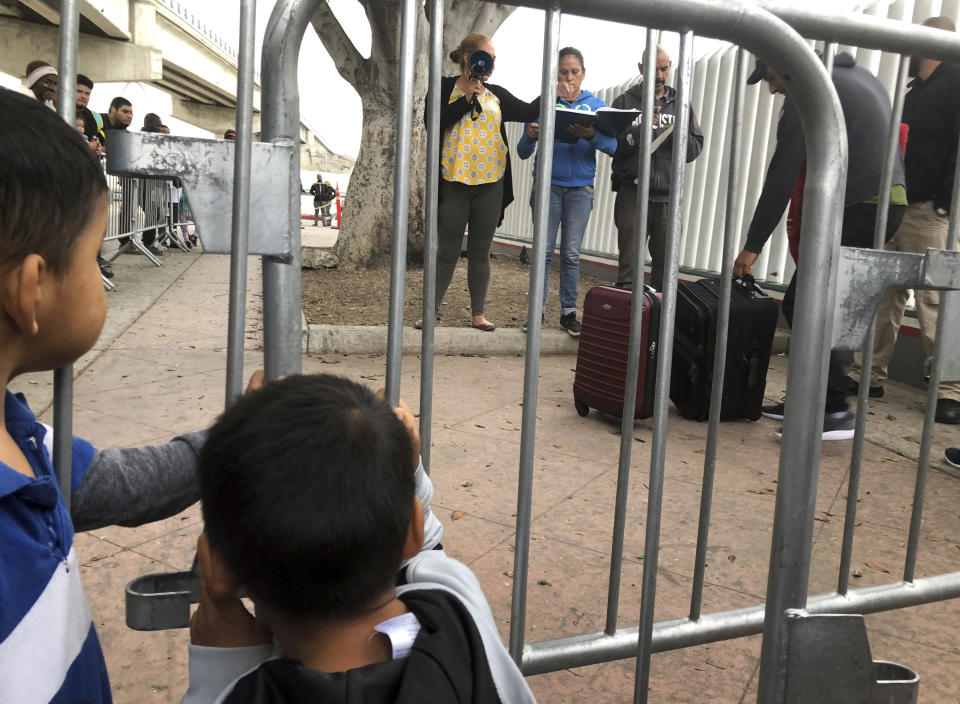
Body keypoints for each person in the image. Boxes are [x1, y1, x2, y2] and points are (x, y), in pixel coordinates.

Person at [0, 89, 228, 703]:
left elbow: (120, 483)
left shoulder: (17, 433)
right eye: (94, 249)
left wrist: (236, 439)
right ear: (32, 291)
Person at [179, 374, 534, 703]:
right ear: (413, 528)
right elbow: (426, 546)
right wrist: (411, 468)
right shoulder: (458, 608)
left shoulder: (237, 695)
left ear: (218, 567)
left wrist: (223, 665)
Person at [732, 53, 907, 440]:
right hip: (884, 202)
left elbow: (781, 175)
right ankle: (815, 400)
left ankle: (832, 409)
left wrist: (752, 245)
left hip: (860, 206)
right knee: (822, 303)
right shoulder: (855, 76)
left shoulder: (808, 89)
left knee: (811, 304)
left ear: (788, 63)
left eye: (772, 77)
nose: (772, 87)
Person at [854, 16, 960, 425]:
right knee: (886, 292)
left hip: (929, 207)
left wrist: (944, 204)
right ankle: (871, 374)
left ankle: (949, 389)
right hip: (900, 205)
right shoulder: (915, 91)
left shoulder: (955, 85)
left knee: (934, 297)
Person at [420, 33, 540, 332]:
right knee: (447, 252)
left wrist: (553, 91)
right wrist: (467, 99)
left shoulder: (496, 94)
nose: (490, 65)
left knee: (480, 251)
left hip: (491, 183)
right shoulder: (444, 87)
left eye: (493, 60)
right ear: (467, 58)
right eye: (485, 58)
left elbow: (528, 111)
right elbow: (432, 122)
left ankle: (478, 314)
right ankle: (430, 312)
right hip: (454, 182)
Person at [516, 47, 617, 336]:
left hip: (580, 191)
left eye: (574, 71)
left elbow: (613, 147)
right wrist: (531, 136)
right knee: (543, 253)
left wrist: (592, 135)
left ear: (583, 74)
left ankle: (568, 313)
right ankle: (536, 313)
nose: (569, 77)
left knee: (571, 254)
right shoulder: (544, 105)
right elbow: (523, 151)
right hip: (547, 186)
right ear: (555, 75)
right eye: (563, 72)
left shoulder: (596, 105)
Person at [610, 46, 704, 290]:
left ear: (670, 66)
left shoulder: (681, 104)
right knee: (628, 267)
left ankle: (656, 324)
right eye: (653, 69)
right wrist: (639, 131)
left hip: (668, 198)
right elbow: (612, 146)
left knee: (665, 269)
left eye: (664, 69)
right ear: (641, 69)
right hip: (632, 192)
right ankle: (625, 321)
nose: (660, 75)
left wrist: (676, 134)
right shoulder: (624, 102)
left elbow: (694, 149)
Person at [76, 74, 105, 148]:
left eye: (87, 93)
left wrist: (98, 147)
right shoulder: (59, 111)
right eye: (79, 91)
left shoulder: (92, 117)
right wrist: (87, 147)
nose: (83, 96)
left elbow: (95, 141)